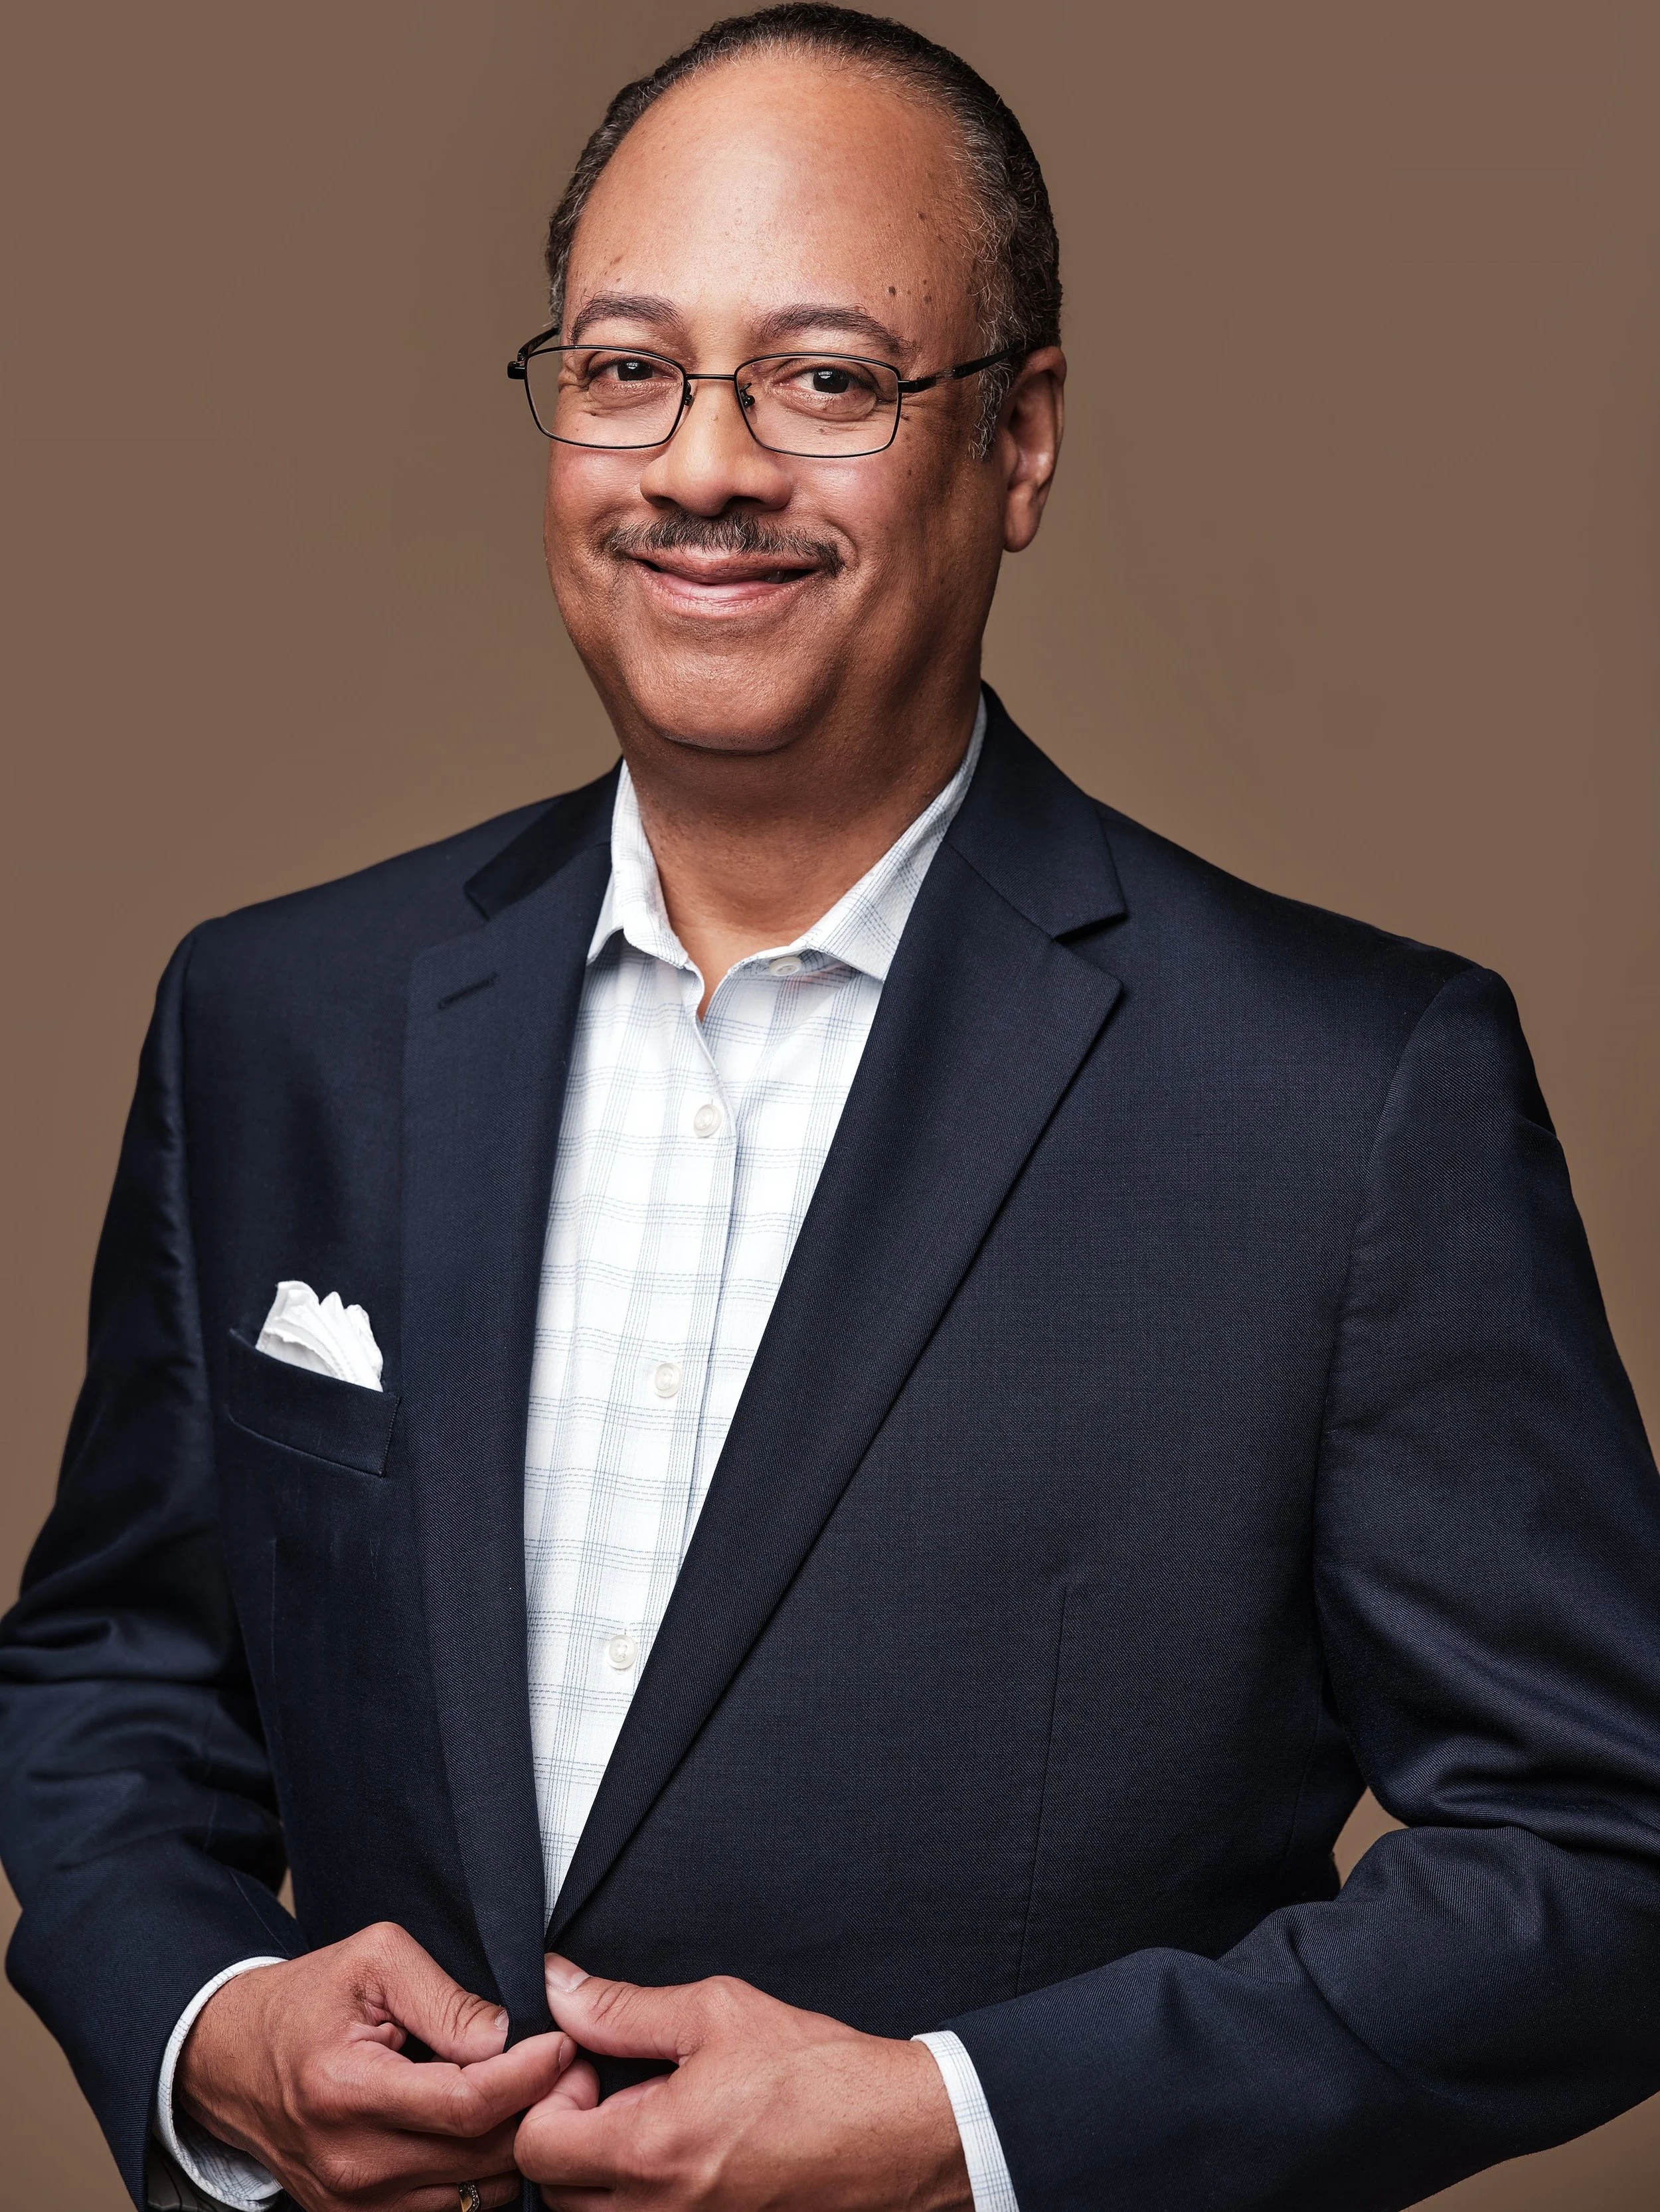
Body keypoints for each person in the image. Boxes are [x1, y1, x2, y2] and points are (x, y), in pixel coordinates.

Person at [4, 7, 1659, 2210]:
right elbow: (116, 1667)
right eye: (622, 367)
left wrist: (961, 2125)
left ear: (1019, 442)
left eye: (824, 376)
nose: (701, 464)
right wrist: (215, 2025)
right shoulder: (275, 1014)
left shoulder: (1343, 1095)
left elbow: (1603, 1853)